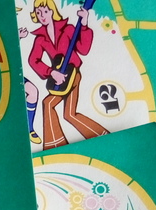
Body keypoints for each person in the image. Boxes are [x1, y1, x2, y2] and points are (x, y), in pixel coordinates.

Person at [28, 0, 108, 149]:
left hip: (73, 75)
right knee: (69, 114)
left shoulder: (68, 29)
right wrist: (51, 72)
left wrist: (84, 25)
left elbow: (83, 49)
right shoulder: (40, 38)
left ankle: (54, 146)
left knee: (49, 104)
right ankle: (101, 134)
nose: (42, 15)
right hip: (58, 79)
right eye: (38, 13)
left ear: (52, 11)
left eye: (45, 11)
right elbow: (33, 60)